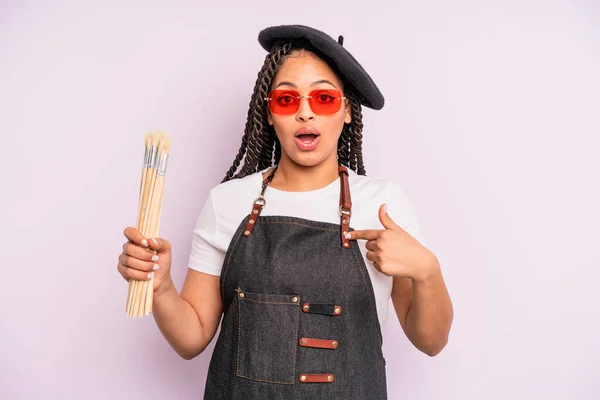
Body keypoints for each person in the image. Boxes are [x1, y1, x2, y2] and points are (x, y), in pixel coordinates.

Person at [117, 24, 453, 399]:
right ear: (270, 112)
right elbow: (191, 339)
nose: (305, 113)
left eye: (323, 99)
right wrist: (160, 286)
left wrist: (427, 270)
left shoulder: (382, 205)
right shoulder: (227, 202)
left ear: (345, 111)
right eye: (287, 100)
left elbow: (431, 342)